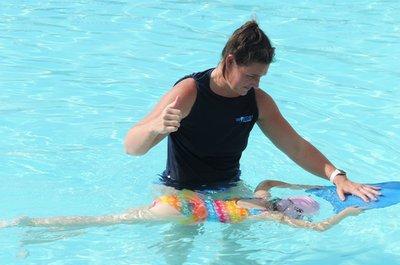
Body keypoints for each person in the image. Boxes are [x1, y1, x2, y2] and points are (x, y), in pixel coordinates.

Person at [124, 20, 379, 201]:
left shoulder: (257, 101)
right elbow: (132, 148)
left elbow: (296, 146)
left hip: (229, 189)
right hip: (178, 191)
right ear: (230, 61)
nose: (256, 83)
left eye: (261, 77)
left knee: (238, 260)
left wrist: (338, 176)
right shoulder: (189, 91)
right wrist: (155, 127)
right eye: (251, 75)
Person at [0, 180, 363, 232]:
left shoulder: (260, 194)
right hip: (184, 211)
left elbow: (275, 182)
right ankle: (33, 224)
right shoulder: (266, 212)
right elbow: (316, 229)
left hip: (183, 200)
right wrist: (347, 212)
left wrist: (315, 185)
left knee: (110, 220)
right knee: (106, 222)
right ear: (288, 211)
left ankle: (42, 228)